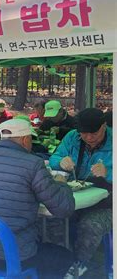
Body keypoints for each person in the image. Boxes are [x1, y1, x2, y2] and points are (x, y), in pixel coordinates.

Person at [0, 119, 75, 278]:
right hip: (13, 255)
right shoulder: (33, 163)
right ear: (26, 140)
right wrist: (62, 183)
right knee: (63, 256)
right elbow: (63, 208)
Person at [49, 108, 112, 277]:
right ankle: (63, 260)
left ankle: (79, 264)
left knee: (90, 225)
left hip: (108, 203)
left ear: (104, 126)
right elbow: (54, 158)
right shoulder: (72, 137)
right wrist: (61, 162)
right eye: (84, 133)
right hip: (77, 196)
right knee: (56, 217)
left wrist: (109, 172)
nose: (89, 138)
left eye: (94, 133)